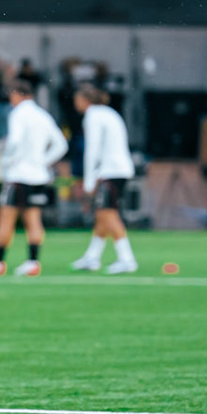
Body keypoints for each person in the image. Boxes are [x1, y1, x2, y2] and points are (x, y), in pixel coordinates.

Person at [0, 80, 66, 277]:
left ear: (17, 94)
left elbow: (14, 142)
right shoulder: (43, 115)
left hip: (18, 175)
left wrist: (7, 162)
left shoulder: (18, 114)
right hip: (38, 177)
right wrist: (42, 162)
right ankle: (33, 262)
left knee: (5, 217)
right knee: (33, 219)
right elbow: (61, 145)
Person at [71, 85, 137, 274]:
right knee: (102, 215)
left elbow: (92, 149)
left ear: (84, 100)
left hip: (111, 170)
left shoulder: (93, 116)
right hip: (119, 169)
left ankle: (127, 259)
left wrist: (89, 181)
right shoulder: (108, 113)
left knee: (108, 213)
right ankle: (92, 257)